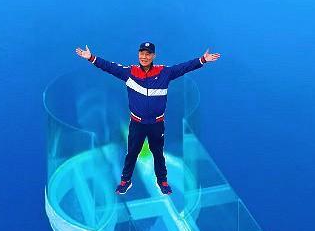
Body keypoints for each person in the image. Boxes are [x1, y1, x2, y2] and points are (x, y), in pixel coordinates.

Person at [75, 40, 221, 195]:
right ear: (138, 54)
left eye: (147, 54)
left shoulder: (164, 73)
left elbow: (184, 68)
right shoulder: (129, 73)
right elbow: (109, 67)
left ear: (153, 56)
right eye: (141, 53)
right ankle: (125, 181)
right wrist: (91, 57)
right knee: (132, 153)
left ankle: (162, 182)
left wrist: (203, 60)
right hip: (137, 124)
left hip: (156, 124)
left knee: (158, 154)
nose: (144, 57)